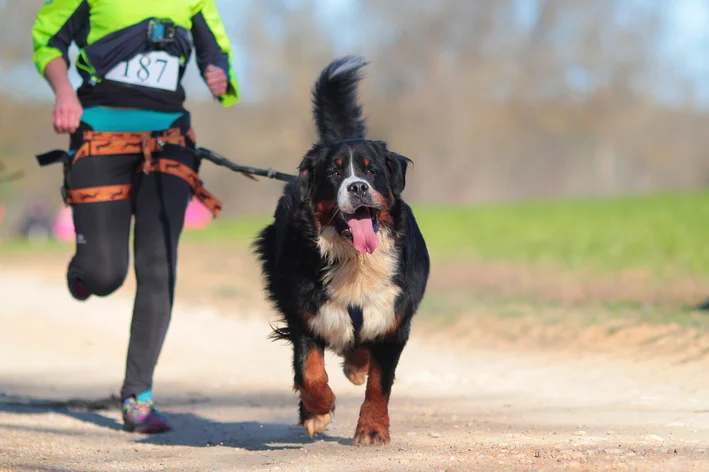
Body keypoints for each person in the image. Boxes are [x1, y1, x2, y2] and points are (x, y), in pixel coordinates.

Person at [32, 0, 239, 434]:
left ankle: (138, 396)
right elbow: (48, 41)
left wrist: (219, 76)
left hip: (169, 139)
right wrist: (64, 91)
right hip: (98, 135)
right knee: (105, 274)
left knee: (158, 263)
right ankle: (86, 270)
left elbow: (217, 53)